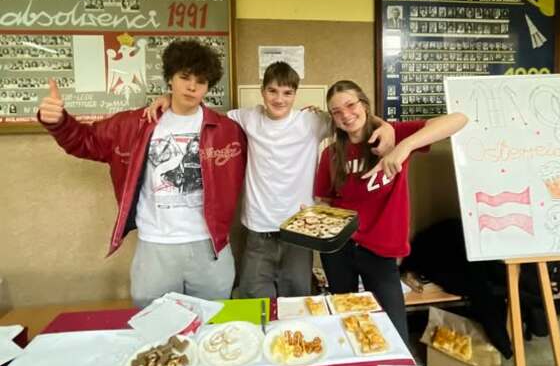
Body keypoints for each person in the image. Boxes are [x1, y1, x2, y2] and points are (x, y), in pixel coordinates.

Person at [146, 62, 395, 300]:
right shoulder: (247, 117)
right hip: (258, 229)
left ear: (295, 94)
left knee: (296, 298)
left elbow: (352, 121)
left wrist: (386, 126)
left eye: (287, 93)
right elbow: (205, 117)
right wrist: (171, 98)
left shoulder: (311, 121)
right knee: (254, 298)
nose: (279, 99)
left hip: (300, 229)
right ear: (262, 91)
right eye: (272, 91)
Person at [38, 40, 246, 307]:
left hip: (211, 247)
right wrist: (59, 122)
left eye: (201, 81)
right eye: (184, 77)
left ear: (208, 86)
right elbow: (85, 141)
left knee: (212, 323)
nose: (192, 87)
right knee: (153, 324)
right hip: (154, 247)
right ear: (170, 78)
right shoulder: (133, 124)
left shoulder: (228, 130)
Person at [314, 80, 467, 343]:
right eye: (336, 111)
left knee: (393, 333)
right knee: (345, 323)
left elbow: (459, 119)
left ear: (364, 104)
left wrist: (403, 147)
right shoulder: (331, 154)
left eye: (350, 105)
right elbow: (324, 200)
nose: (345, 115)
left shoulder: (394, 135)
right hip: (339, 249)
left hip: (380, 252)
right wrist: (316, 216)